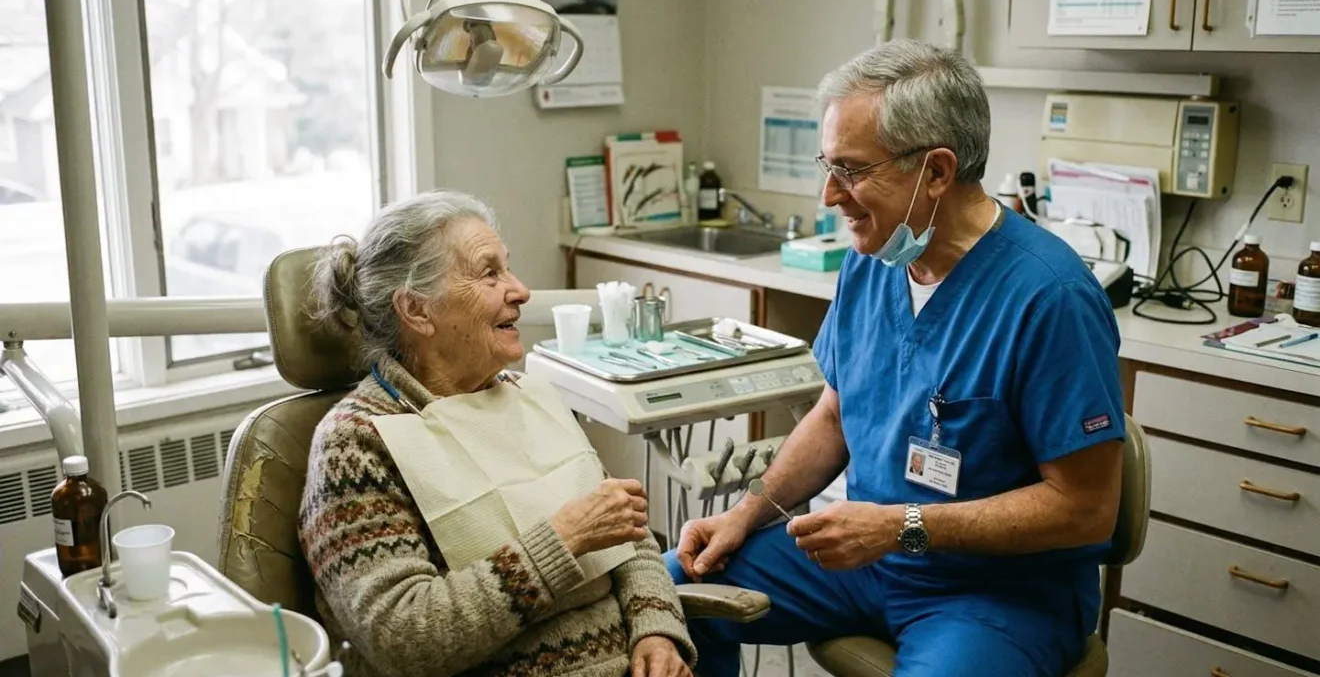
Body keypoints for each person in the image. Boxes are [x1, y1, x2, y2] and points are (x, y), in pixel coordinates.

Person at [666, 39, 1126, 677]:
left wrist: (902, 527)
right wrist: (744, 515)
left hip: (997, 593)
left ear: (937, 172)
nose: (830, 195)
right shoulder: (874, 259)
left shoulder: (1049, 298)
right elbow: (836, 415)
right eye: (827, 166)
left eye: (852, 170)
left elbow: (1085, 508)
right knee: (674, 587)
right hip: (869, 563)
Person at [300, 190, 695, 677]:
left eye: (507, 267)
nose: (520, 290)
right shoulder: (356, 443)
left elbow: (628, 536)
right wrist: (563, 539)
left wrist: (657, 628)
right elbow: (402, 637)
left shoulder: (526, 395)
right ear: (417, 310)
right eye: (489, 273)